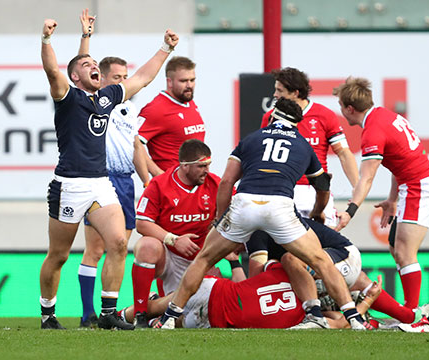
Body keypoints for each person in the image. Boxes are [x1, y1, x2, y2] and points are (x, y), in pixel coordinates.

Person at [154, 98, 368, 330]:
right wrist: (318, 212)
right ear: (297, 123)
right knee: (320, 260)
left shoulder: (251, 139)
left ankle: (168, 318)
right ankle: (354, 318)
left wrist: (219, 219)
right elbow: (323, 186)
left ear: (273, 116)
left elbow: (226, 182)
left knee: (204, 259)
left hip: (244, 204)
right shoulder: (303, 144)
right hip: (280, 206)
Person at [39, 17, 179, 330]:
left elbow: (142, 78)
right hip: (69, 185)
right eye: (86, 64)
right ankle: (48, 314)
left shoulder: (107, 97)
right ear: (75, 76)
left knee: (117, 243)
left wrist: (165, 49)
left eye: (94, 63)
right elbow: (52, 71)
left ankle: (107, 313)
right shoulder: (67, 97)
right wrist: (46, 40)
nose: (93, 66)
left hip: (100, 183)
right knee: (59, 255)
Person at [333, 77, 429, 313]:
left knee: (405, 252)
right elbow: (398, 162)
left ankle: (411, 314)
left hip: (419, 187)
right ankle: (410, 310)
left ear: (350, 108)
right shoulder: (385, 115)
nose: (342, 113)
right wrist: (392, 200)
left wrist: (350, 211)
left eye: (341, 107)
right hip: (413, 185)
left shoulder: (372, 131)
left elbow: (367, 178)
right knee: (396, 247)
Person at [74, 10, 150, 328]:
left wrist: (148, 180)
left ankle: (109, 311)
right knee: (94, 248)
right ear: (102, 79)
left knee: (120, 245)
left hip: (126, 181)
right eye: (117, 77)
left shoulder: (130, 109)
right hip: (99, 180)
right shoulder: (91, 101)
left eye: (124, 76)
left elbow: (135, 147)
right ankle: (87, 313)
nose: (122, 82)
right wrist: (86, 35)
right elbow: (79, 69)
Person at [247, 218, 420, 326]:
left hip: (342, 256)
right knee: (355, 284)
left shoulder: (255, 233)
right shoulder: (273, 220)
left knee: (289, 261)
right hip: (345, 257)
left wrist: (235, 264)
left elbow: (254, 283)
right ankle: (405, 316)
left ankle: (314, 315)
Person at [120, 261, 382, 329]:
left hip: (214, 315)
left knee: (164, 315)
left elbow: (337, 320)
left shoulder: (291, 272)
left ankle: (124, 316)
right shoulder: (308, 319)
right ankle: (119, 316)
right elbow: (340, 322)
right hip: (215, 299)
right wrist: (366, 302)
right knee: (158, 310)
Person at [131, 139, 220, 327]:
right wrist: (174, 240)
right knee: (147, 245)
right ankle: (139, 314)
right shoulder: (159, 184)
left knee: (208, 313)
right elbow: (142, 223)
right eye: (201, 166)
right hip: (170, 257)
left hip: (200, 260)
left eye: (208, 165)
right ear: (185, 166)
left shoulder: (215, 184)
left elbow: (235, 213)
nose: (207, 170)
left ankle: (128, 315)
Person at [261, 67, 358, 227]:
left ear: (296, 93)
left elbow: (343, 153)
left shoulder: (324, 115)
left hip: (316, 191)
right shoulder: (271, 117)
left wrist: (357, 187)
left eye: (279, 90)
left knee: (326, 243)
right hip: (284, 190)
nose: (275, 95)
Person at [137, 56, 204, 176]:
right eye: (183, 81)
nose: (189, 85)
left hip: (195, 183)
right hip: (173, 186)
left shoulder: (189, 102)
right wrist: (158, 174)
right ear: (169, 81)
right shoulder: (156, 109)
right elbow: (133, 142)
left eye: (192, 80)